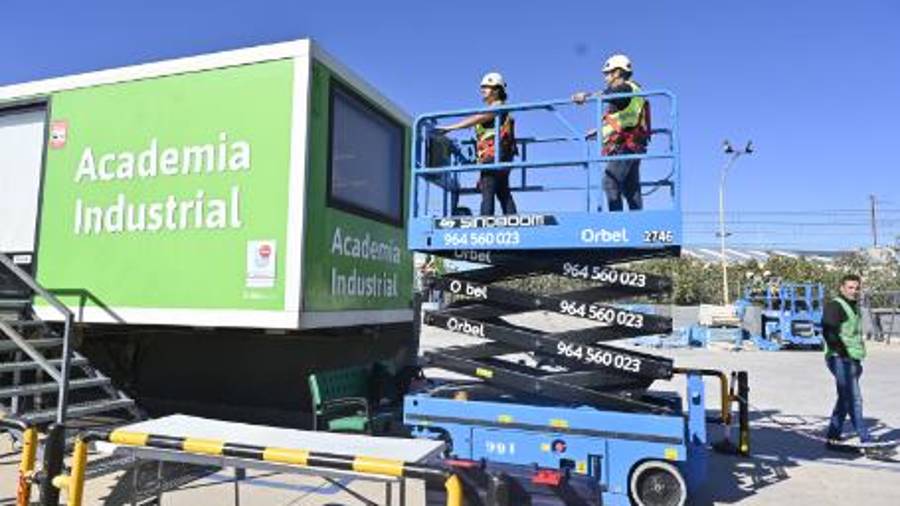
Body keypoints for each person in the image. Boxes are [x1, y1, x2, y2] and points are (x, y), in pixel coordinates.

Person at [572, 54, 651, 211]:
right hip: (633, 144)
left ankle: (616, 225)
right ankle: (638, 224)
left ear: (617, 73)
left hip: (626, 146)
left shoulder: (625, 88)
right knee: (630, 188)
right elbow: (623, 119)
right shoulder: (631, 91)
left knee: (610, 181)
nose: (605, 78)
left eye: (608, 73)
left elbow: (608, 95)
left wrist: (586, 96)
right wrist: (600, 131)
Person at [435, 72, 517, 216]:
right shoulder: (499, 108)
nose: (483, 90)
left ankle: (485, 225)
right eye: (482, 87)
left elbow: (478, 118)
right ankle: (513, 223)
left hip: (494, 156)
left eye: (487, 87)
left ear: (497, 90)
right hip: (500, 156)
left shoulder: (497, 106)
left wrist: (451, 127)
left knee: (488, 190)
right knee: (503, 191)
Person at [821, 274, 871, 448]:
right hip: (840, 358)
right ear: (841, 288)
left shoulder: (853, 307)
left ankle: (833, 435)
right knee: (854, 397)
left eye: (857, 288)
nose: (854, 291)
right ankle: (865, 436)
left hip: (853, 357)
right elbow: (828, 332)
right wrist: (842, 353)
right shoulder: (835, 306)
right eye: (850, 287)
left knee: (845, 397)